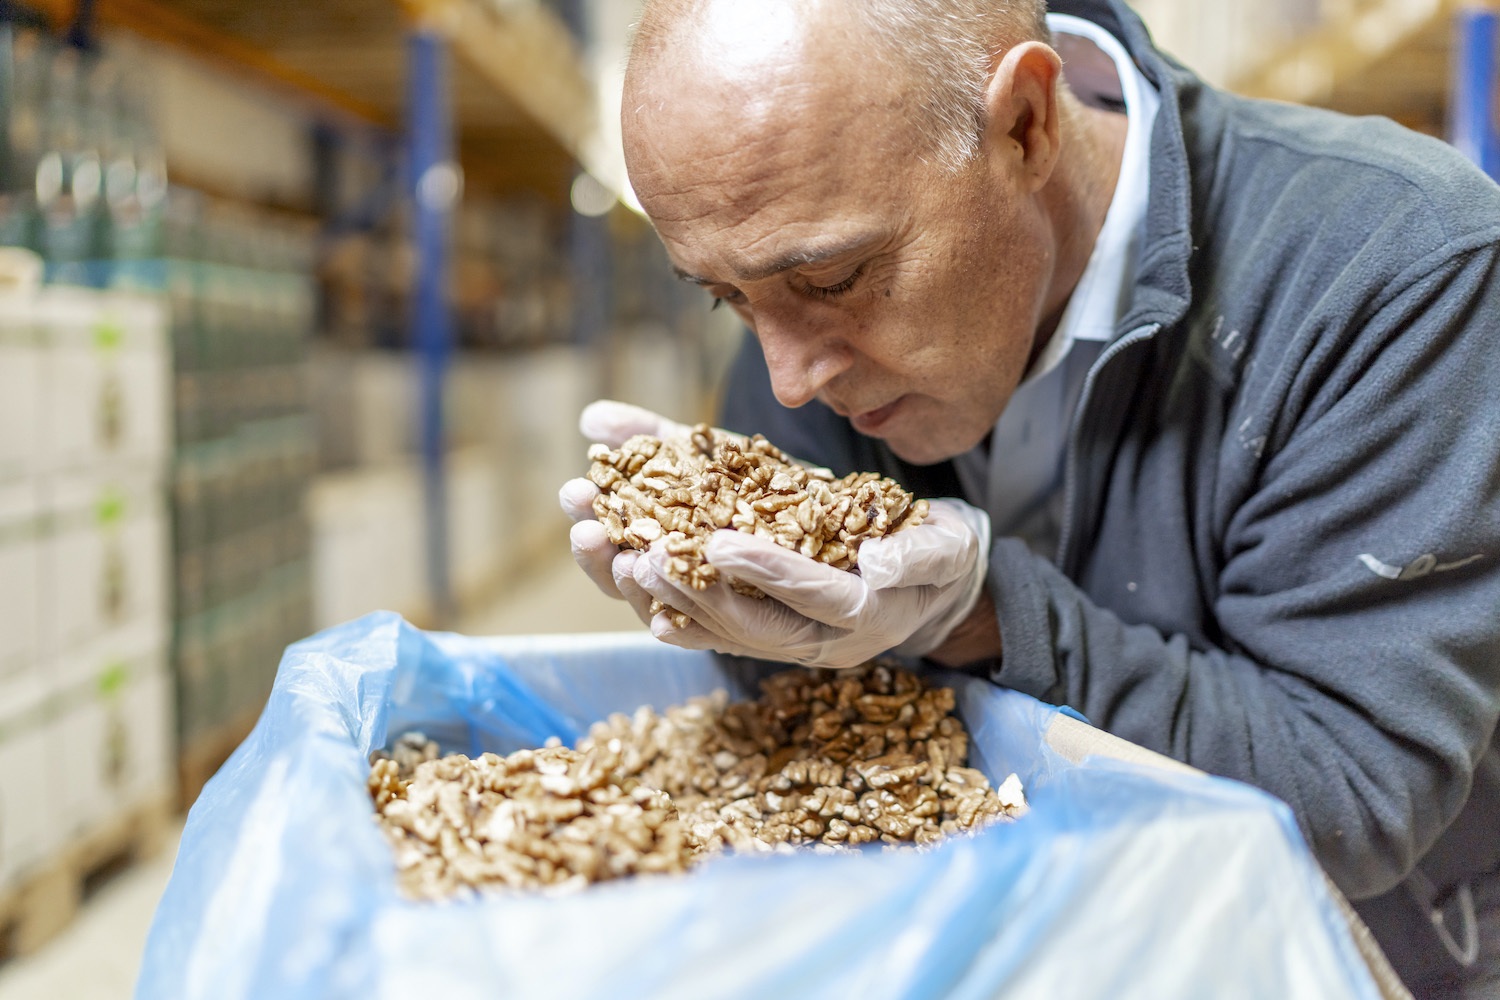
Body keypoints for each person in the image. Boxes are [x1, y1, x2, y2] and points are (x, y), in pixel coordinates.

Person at [557, 0, 1500, 992]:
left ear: (1026, 128)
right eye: (727, 298)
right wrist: (752, 627)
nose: (788, 378)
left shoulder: (1397, 268)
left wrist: (982, 612)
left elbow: (1350, 794)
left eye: (833, 278)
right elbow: (820, 735)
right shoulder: (801, 267)